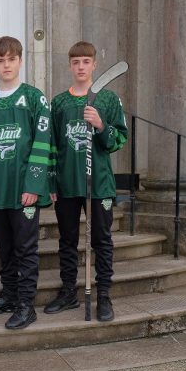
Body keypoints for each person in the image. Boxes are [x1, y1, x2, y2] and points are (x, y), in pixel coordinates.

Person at [0, 36, 52, 330]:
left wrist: (34, 185)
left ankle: (26, 305)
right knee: (5, 248)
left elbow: (43, 143)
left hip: (24, 191)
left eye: (11, 59)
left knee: (25, 248)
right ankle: (9, 295)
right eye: (0, 60)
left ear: (20, 61)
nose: (6, 65)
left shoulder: (34, 98)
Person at [45, 41, 127, 321]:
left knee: (101, 241)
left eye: (86, 62)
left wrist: (101, 126)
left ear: (94, 64)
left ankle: (103, 295)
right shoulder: (59, 102)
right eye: (76, 62)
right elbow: (52, 145)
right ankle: (69, 292)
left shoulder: (108, 100)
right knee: (67, 240)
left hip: (99, 184)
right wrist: (51, 183)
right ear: (70, 65)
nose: (81, 67)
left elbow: (119, 140)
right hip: (68, 185)